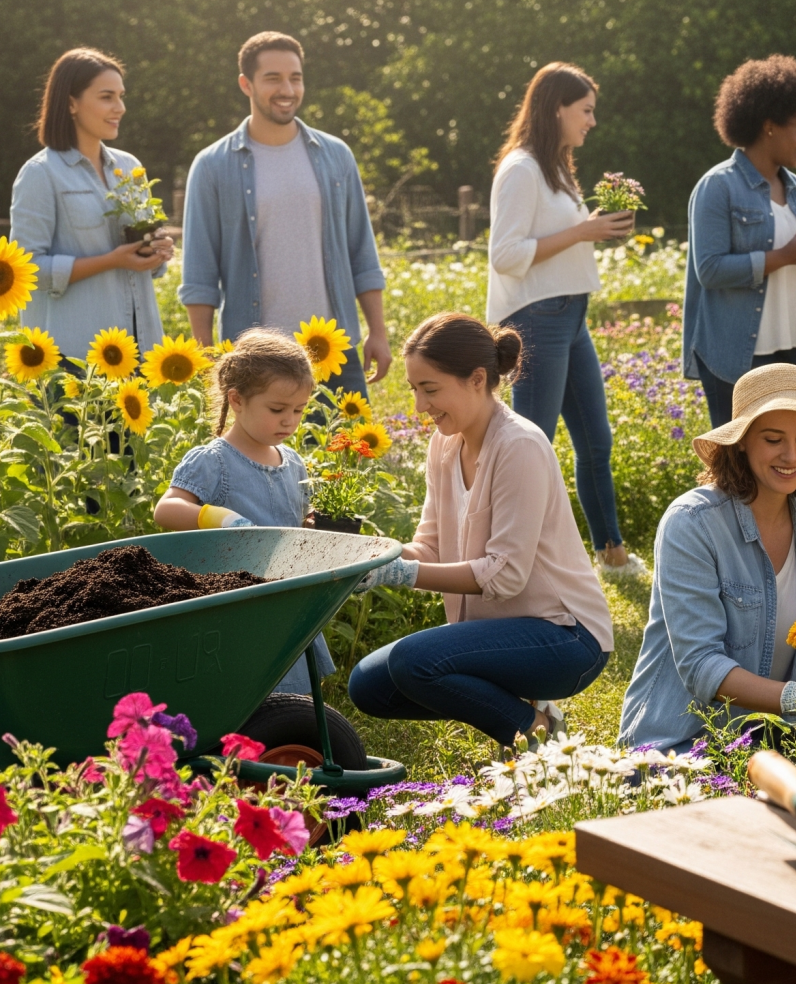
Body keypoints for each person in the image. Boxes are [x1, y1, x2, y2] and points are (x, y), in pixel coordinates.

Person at [348, 312, 614, 744]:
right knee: (369, 686)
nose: (419, 406)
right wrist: (372, 558)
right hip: (506, 635)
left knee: (413, 662)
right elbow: (429, 548)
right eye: (414, 389)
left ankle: (538, 733)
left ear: (476, 379)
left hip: (568, 638)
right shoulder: (444, 445)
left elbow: (505, 575)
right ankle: (524, 709)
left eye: (430, 389)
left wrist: (402, 574)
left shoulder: (519, 445)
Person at [619, 364, 796, 753]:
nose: (791, 455)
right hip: (682, 745)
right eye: (773, 439)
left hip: (775, 738)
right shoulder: (692, 524)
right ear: (741, 441)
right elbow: (701, 665)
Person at [487, 62, 641, 577]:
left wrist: (594, 228)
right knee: (532, 445)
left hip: (571, 316)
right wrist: (583, 232)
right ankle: (515, 560)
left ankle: (612, 554)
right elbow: (505, 255)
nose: (592, 121)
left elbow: (557, 239)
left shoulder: (555, 168)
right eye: (586, 110)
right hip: (536, 319)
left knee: (596, 441)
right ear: (557, 108)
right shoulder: (522, 168)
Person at [180, 31, 390, 395]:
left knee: (351, 435)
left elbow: (362, 252)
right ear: (246, 84)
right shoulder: (213, 165)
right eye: (273, 78)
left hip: (333, 351)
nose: (287, 89)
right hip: (256, 358)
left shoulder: (336, 155)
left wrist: (378, 331)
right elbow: (199, 273)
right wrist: (206, 354)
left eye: (295, 78)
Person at [152, 329, 335, 694]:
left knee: (291, 687)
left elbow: (297, 517)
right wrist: (219, 518)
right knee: (245, 685)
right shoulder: (215, 461)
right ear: (236, 400)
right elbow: (167, 509)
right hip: (235, 601)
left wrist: (313, 523)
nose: (290, 421)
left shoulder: (293, 462)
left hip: (286, 592)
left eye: (299, 410)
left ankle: (291, 722)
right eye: (277, 410)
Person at [684, 55, 796, 429]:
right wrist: (786, 255)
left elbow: (794, 260)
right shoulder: (717, 186)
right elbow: (709, 270)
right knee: (739, 457)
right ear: (769, 126)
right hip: (740, 353)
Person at [11, 48, 174, 357]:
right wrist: (112, 260)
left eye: (121, 96)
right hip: (74, 358)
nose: (120, 107)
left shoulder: (130, 168)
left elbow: (150, 268)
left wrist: (157, 251)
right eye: (106, 97)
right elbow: (25, 270)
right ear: (71, 103)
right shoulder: (40, 174)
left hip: (142, 349)